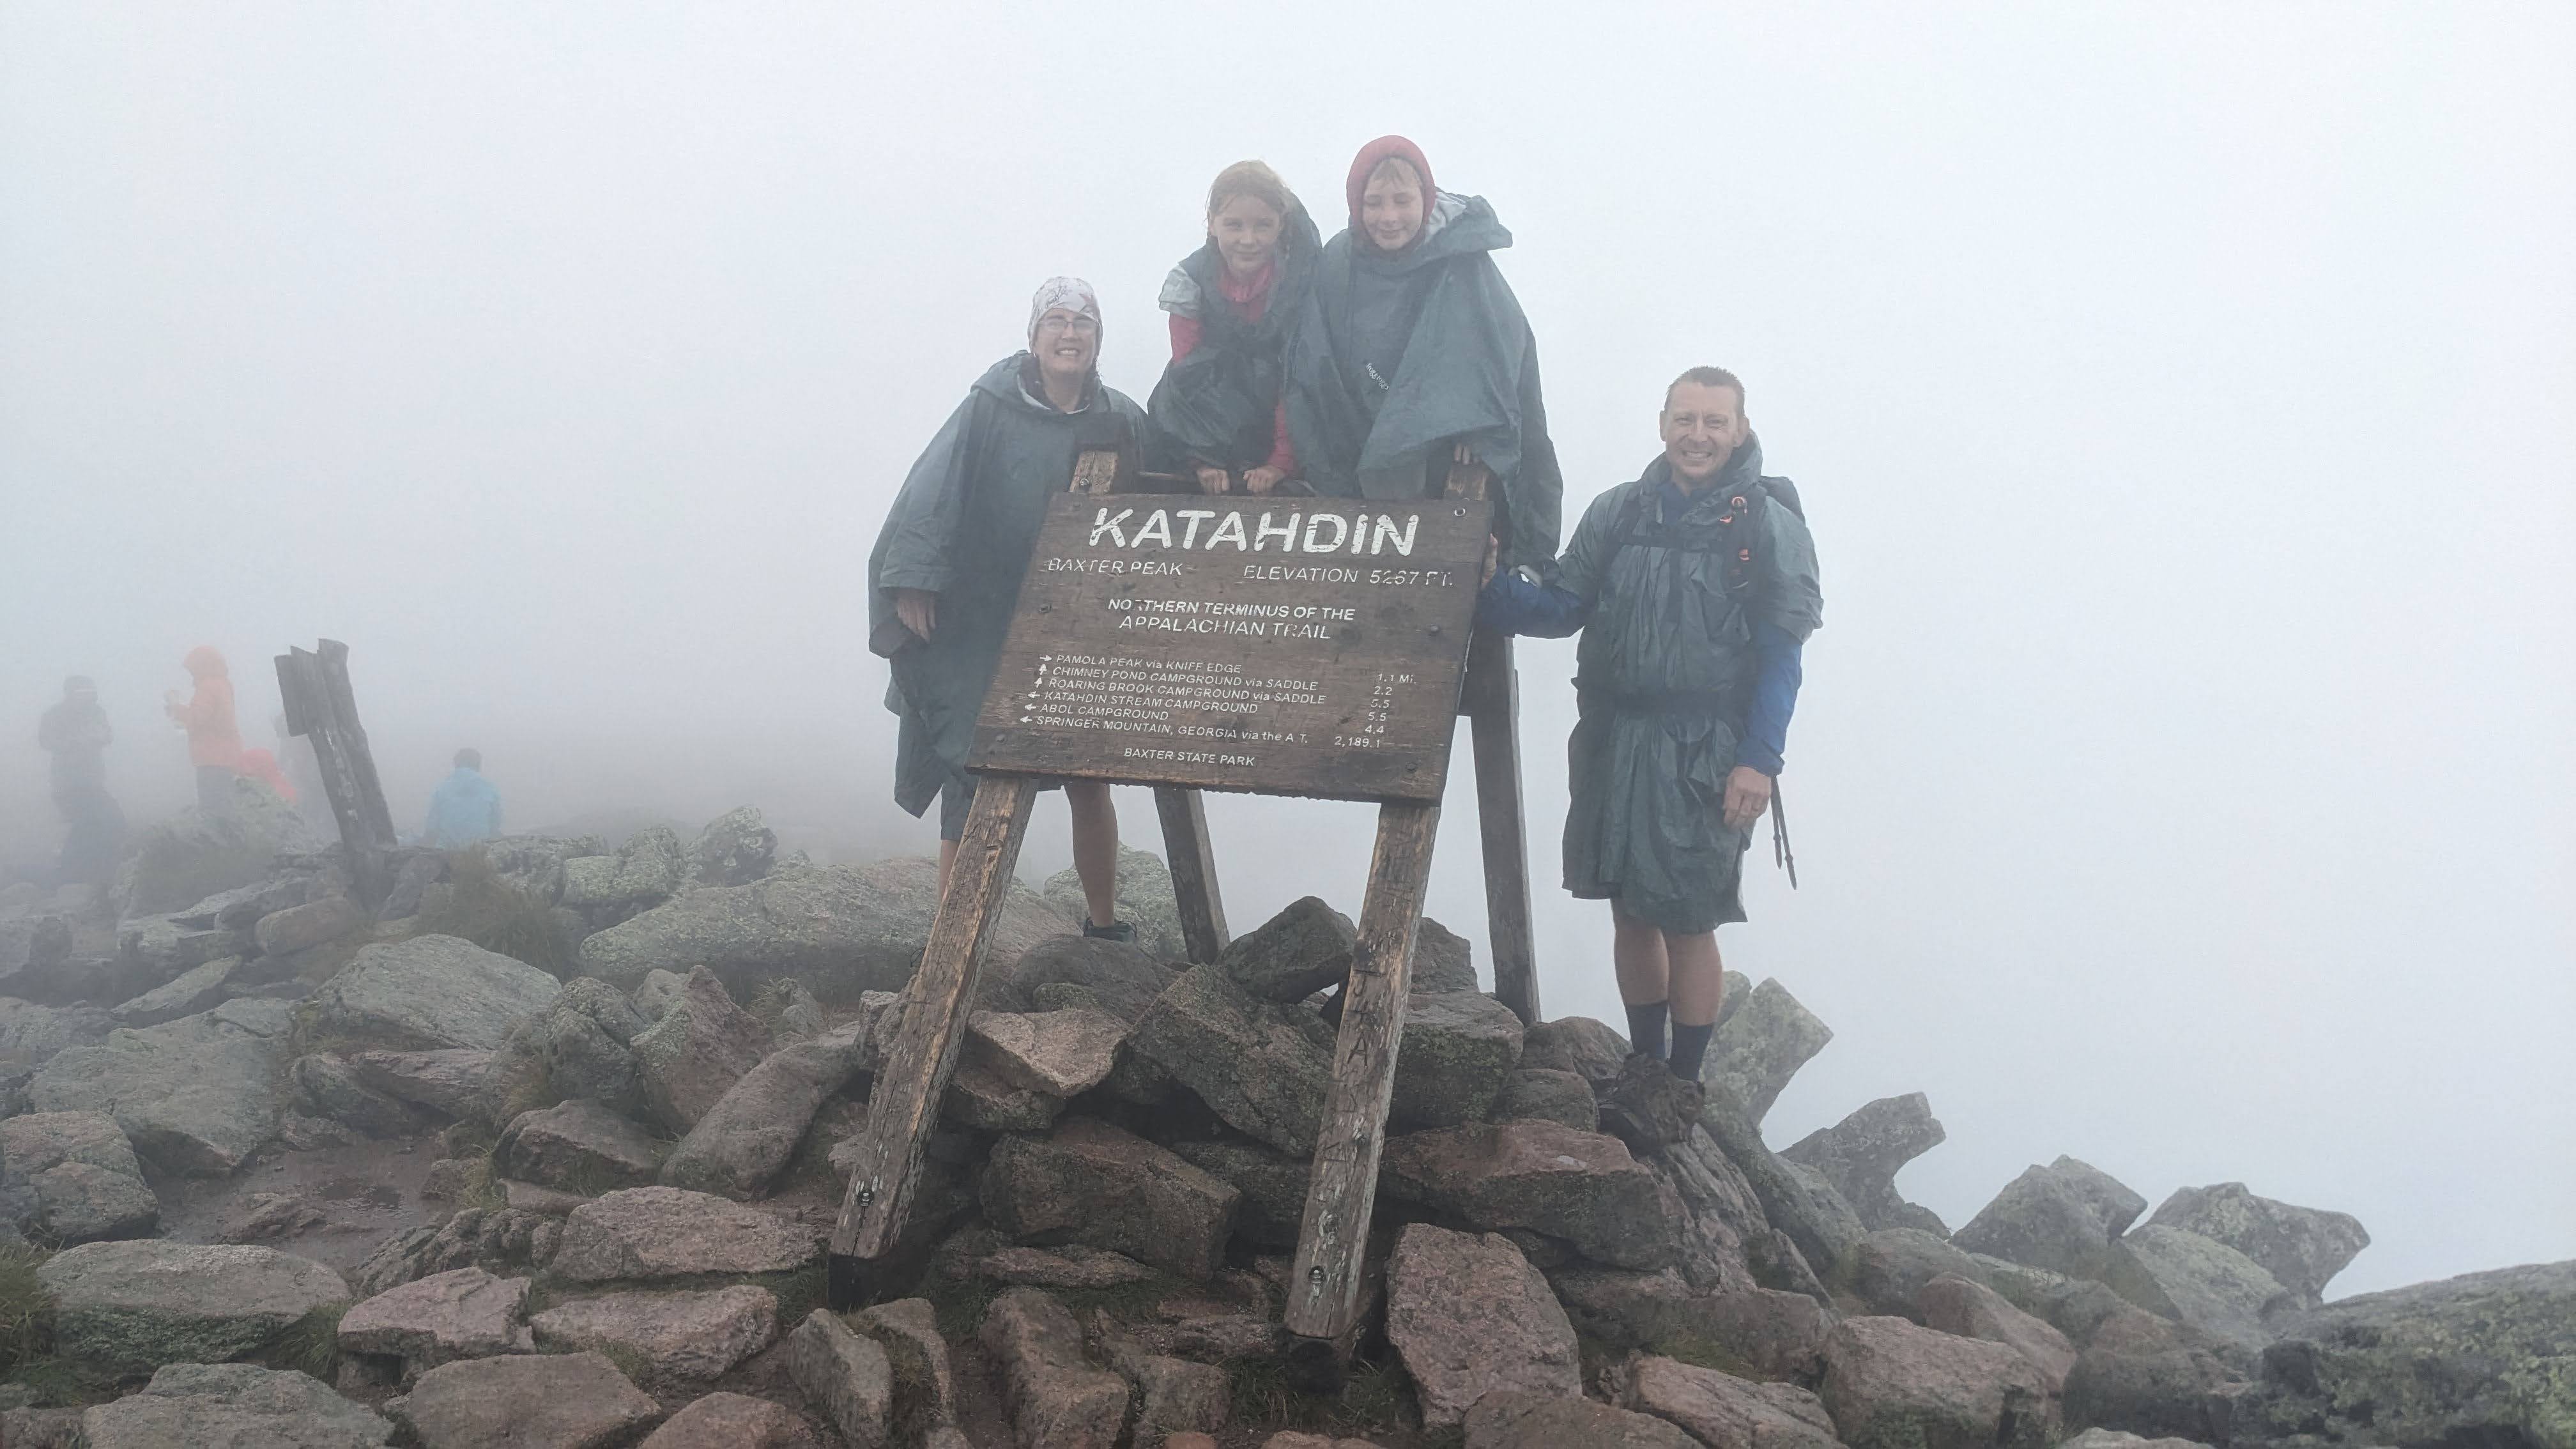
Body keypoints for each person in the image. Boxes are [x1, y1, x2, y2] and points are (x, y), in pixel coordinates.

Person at [1476, 367, 1823, 1103]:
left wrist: (1758, 761)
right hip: (1613, 736)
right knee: (1629, 907)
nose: (1699, 436)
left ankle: (1681, 1088)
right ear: (1662, 424)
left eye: (1715, 422)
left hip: (1707, 747)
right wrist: (1484, 587)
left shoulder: (1768, 527)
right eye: (1686, 419)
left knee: (1689, 919)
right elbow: (1562, 606)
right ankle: (1644, 1065)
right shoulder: (1618, 513)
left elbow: (1782, 655)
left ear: (1741, 430)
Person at [868, 278, 1149, 939]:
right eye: (1056, 320)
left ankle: (1104, 928)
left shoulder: (1123, 418)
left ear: (1097, 339)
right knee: (970, 770)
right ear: (1035, 336)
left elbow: (1168, 508)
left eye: (1083, 323)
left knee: (1087, 774)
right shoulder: (989, 406)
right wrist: (915, 579)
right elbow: (933, 489)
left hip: (1077, 626)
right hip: (983, 615)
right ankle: (951, 941)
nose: (1069, 333)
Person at [1285, 135, 1562, 576]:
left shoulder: (1464, 263)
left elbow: (1500, 359)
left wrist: (1474, 421)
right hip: (1356, 468)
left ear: (1426, 198)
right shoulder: (1339, 262)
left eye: (1402, 200)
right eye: (1373, 202)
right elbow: (1313, 363)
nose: (1388, 216)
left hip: (1442, 471)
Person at [1150, 160, 1321, 496]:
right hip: (1211, 426)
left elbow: (1299, 377)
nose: (1248, 239)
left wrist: (1280, 463)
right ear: (1212, 224)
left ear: (1280, 226)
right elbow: (1189, 380)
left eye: (1262, 225)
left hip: (1282, 424)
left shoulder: (1301, 287)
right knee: (1172, 385)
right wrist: (1203, 459)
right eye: (1234, 225)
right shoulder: (1190, 284)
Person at [37, 676, 125, 885]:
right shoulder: (55, 715)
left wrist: (98, 737)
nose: (86, 698)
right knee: (87, 822)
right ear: (70, 694)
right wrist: (73, 742)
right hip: (68, 781)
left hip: (93, 779)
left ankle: (86, 868)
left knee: (108, 821)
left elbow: (107, 735)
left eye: (89, 693)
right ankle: (70, 871)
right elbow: (46, 741)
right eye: (81, 693)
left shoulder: (96, 712)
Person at [164, 645, 243, 820]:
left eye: (193, 669)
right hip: (226, 754)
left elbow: (198, 717)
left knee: (212, 808)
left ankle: (219, 844)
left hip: (211, 755)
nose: (192, 674)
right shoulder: (223, 684)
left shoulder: (207, 686)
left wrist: (176, 708)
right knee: (224, 805)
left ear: (202, 666)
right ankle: (233, 840)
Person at [422, 747, 503, 847]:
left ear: (456, 764)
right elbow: (495, 824)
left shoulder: (442, 788)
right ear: (478, 765)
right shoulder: (490, 789)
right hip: (480, 850)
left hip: (447, 851)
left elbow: (432, 826)